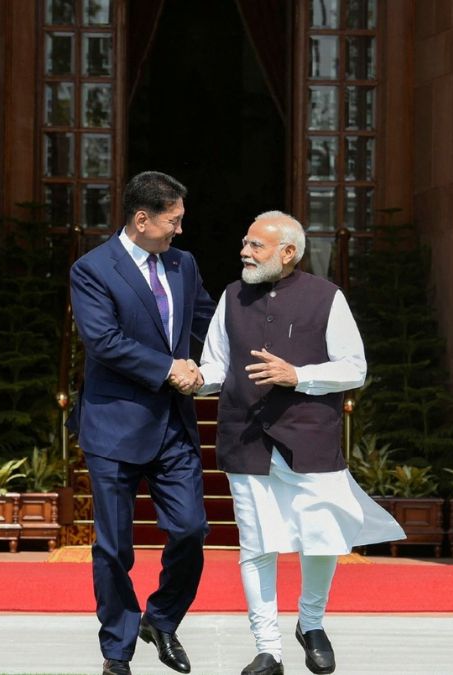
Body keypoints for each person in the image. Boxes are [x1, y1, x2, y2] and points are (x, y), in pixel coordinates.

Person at [198, 211, 403, 675]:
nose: (245, 252)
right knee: (256, 544)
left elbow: (354, 368)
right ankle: (267, 648)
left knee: (322, 535)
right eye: (245, 243)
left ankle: (310, 623)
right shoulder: (231, 296)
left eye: (256, 245)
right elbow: (216, 366)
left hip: (310, 437)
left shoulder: (326, 297)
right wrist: (194, 378)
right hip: (245, 436)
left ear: (288, 252)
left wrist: (299, 376)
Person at [69, 171, 216, 675]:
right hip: (114, 427)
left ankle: (162, 618)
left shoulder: (183, 264)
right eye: (173, 221)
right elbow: (103, 341)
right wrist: (169, 368)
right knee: (114, 549)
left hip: (173, 426)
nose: (180, 230)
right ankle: (117, 651)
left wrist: (234, 354)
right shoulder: (92, 269)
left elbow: (207, 321)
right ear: (141, 219)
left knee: (191, 530)